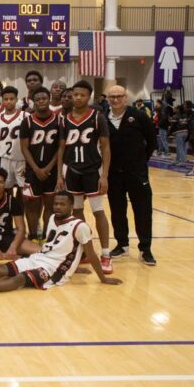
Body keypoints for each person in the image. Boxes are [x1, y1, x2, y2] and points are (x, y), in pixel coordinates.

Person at [0, 191, 121, 294]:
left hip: (53, 270)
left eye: (62, 204)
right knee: (3, 268)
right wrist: (75, 267)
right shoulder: (51, 219)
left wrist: (102, 278)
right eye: (55, 203)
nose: (57, 207)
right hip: (41, 258)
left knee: (19, 279)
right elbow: (57, 248)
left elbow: (91, 254)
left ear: (72, 206)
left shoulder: (80, 226)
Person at [56, 79, 113, 273]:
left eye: (82, 95)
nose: (78, 98)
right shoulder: (64, 119)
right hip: (72, 170)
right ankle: (84, 251)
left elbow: (105, 147)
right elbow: (61, 148)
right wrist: (59, 176)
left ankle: (105, 254)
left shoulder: (98, 117)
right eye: (75, 95)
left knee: (98, 211)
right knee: (77, 214)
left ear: (89, 97)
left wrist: (104, 175)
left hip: (92, 170)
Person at [105, 85, 157, 265]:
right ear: (107, 99)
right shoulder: (103, 118)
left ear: (125, 97)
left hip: (136, 173)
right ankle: (122, 244)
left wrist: (140, 161)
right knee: (117, 210)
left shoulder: (140, 116)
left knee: (143, 211)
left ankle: (145, 248)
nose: (115, 99)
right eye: (112, 97)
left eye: (119, 96)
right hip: (113, 174)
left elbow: (152, 141)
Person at [20, 87, 59, 243]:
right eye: (37, 99)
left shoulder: (59, 120)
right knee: (32, 206)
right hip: (32, 171)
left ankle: (47, 236)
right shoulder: (27, 121)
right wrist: (36, 168)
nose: (41, 102)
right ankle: (33, 236)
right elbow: (24, 147)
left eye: (44, 98)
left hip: (52, 171)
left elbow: (60, 147)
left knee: (50, 205)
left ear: (49, 99)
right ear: (33, 102)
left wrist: (49, 167)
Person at [0, 86, 28, 195]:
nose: (9, 101)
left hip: (21, 160)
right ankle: (9, 212)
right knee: (5, 192)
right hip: (4, 160)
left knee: (24, 193)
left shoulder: (26, 116)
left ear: (16, 100)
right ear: (2, 100)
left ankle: (21, 212)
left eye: (12, 99)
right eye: (6, 99)